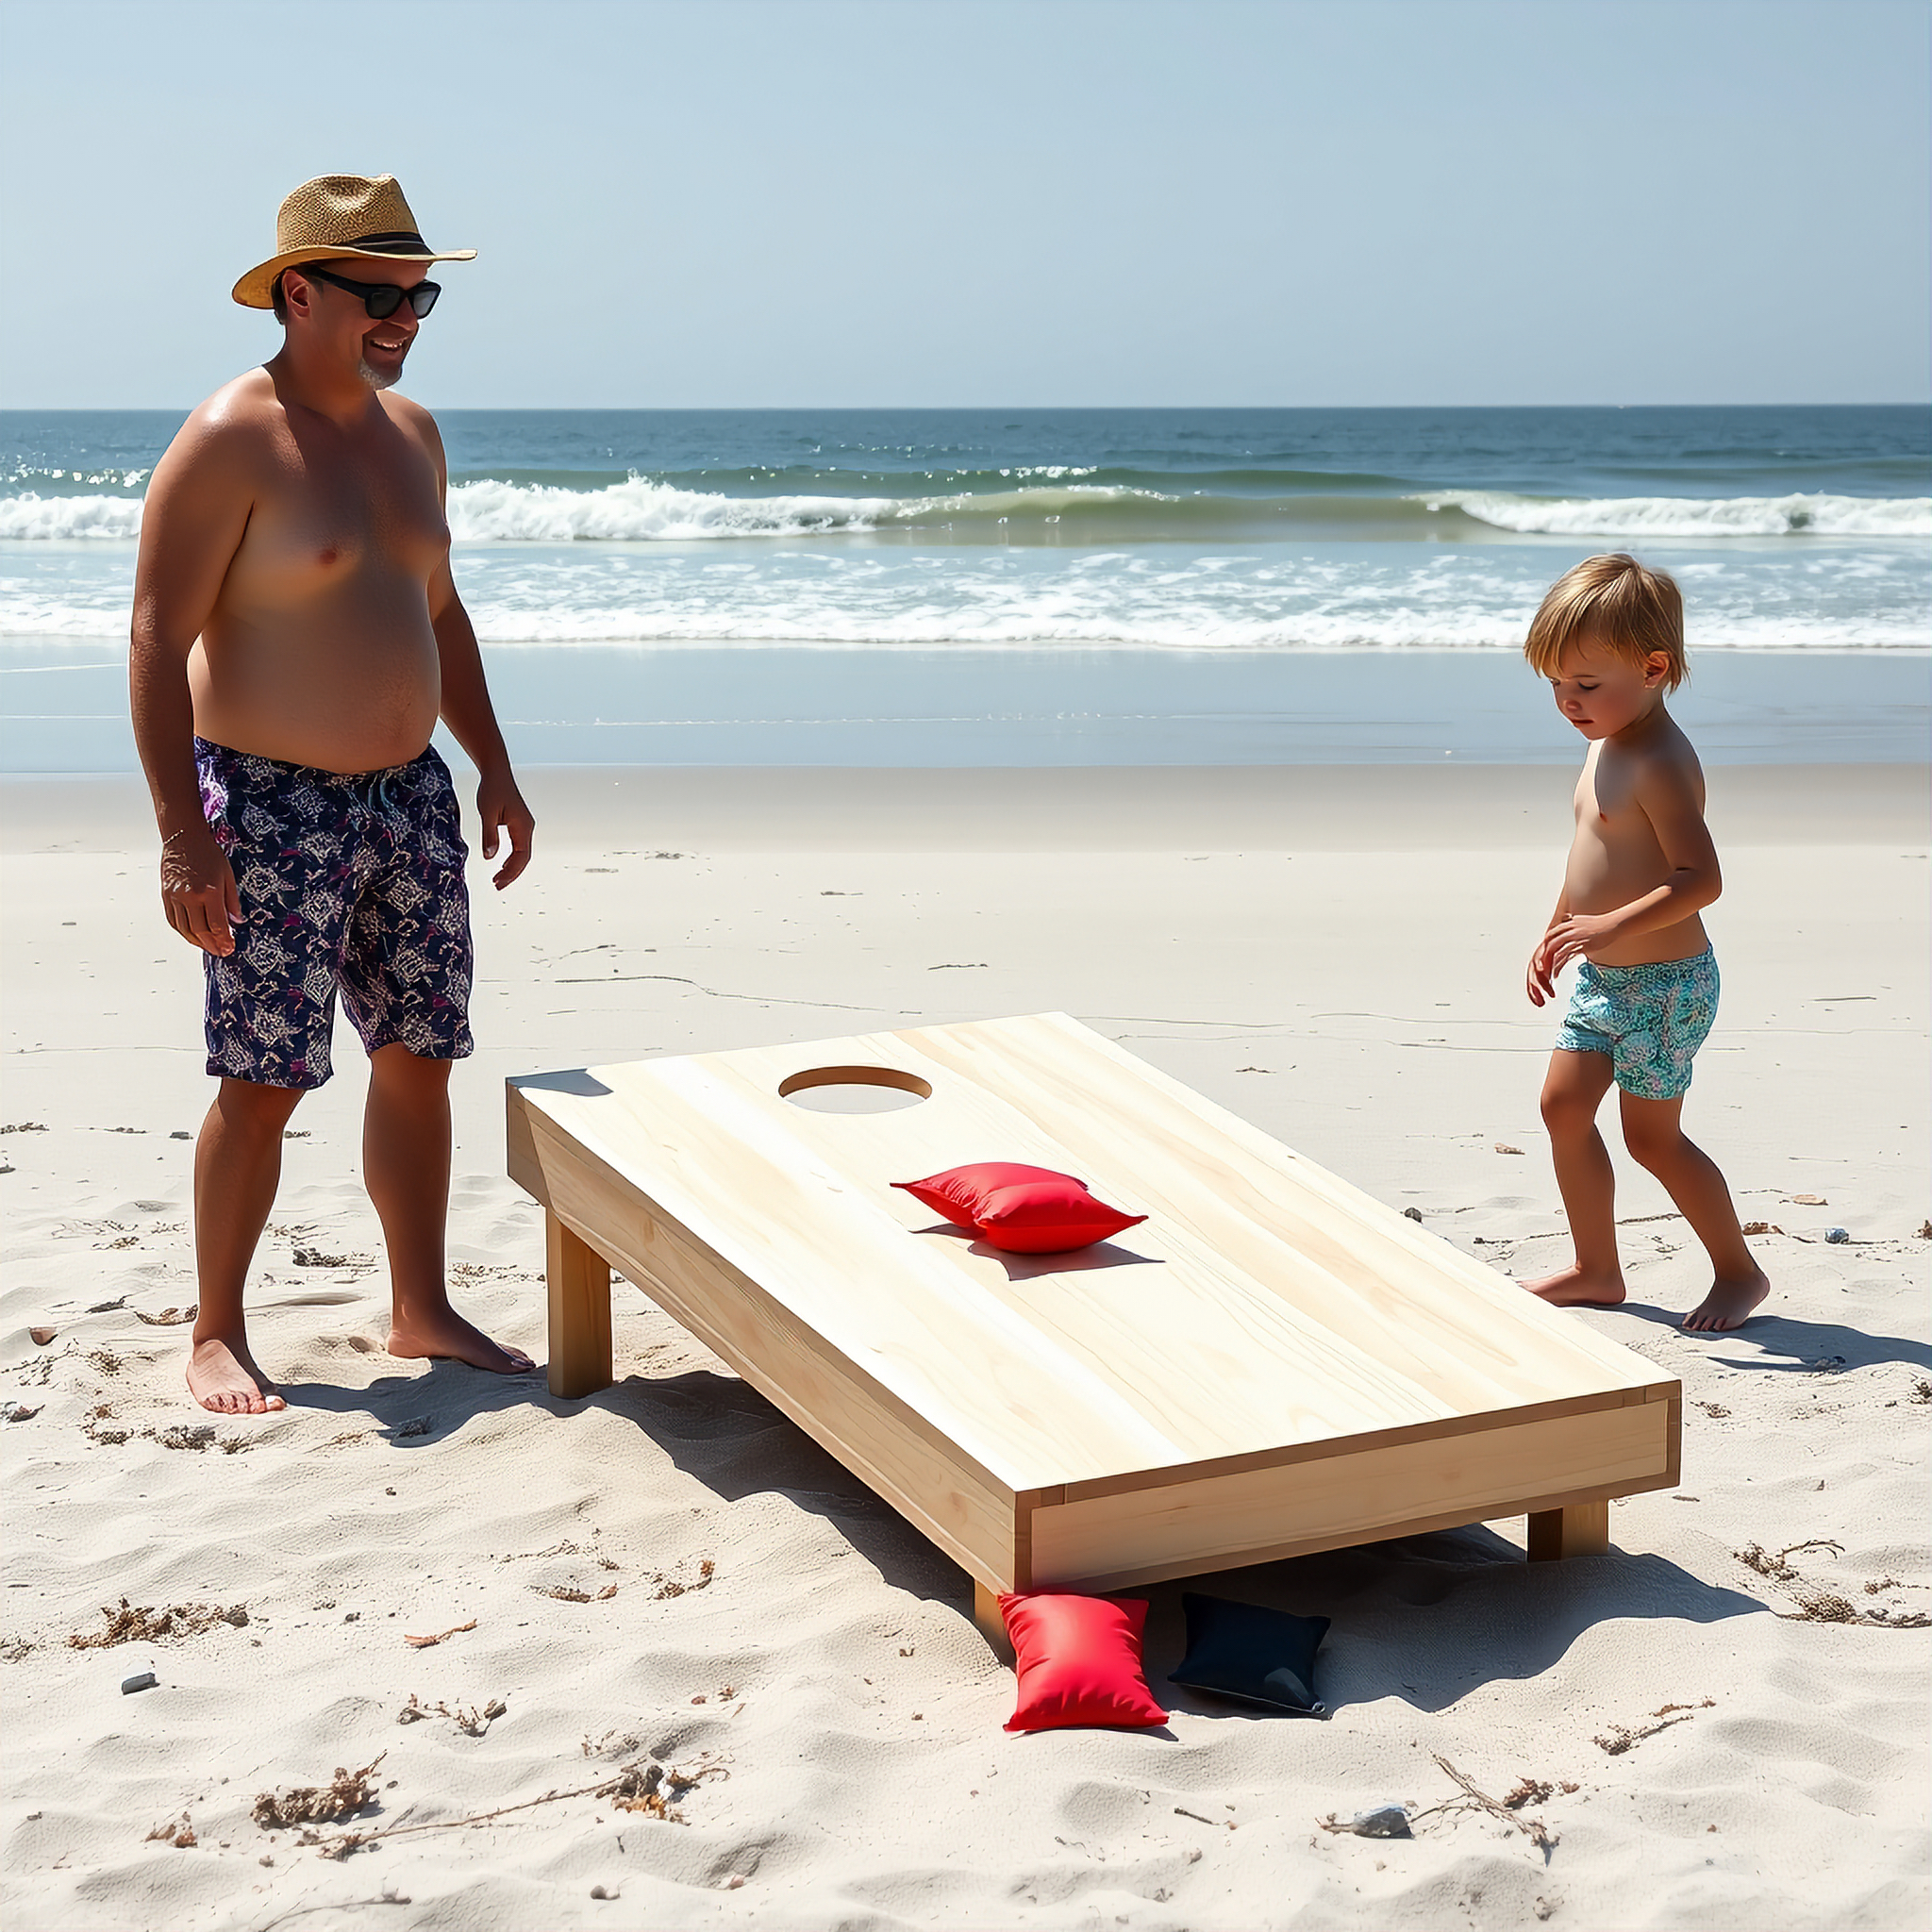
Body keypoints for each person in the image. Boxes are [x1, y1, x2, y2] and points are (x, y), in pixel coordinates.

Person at [130, 175, 538, 1413]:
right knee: (264, 1076)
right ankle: (215, 1330)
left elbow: (440, 609)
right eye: (379, 292)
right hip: (264, 807)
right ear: (299, 292)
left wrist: (494, 765)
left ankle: (420, 1303)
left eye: (419, 293)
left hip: (407, 799)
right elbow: (156, 637)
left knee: (421, 1055)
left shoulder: (414, 434)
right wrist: (182, 840)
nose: (404, 314)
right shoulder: (229, 437)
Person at [1518, 553, 1769, 1333]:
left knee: (1652, 1141)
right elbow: (1591, 850)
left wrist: (1608, 926)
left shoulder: (1659, 761)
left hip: (1667, 985)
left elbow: (1701, 880)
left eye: (1586, 685)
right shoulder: (1604, 742)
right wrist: (1558, 928)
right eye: (1556, 684)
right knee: (1562, 1107)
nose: (1568, 701)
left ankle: (1739, 1272)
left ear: (1654, 667)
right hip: (1602, 977)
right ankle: (1597, 1270)